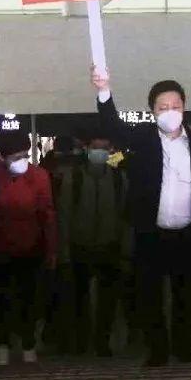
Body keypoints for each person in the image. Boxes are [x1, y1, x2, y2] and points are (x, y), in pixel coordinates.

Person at [91, 67, 191, 367]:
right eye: (162, 107)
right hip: (151, 232)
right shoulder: (143, 138)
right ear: (152, 111)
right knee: (149, 293)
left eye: (175, 106)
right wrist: (103, 91)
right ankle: (157, 349)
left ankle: (183, 347)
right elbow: (113, 126)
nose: (170, 112)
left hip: (190, 232)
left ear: (184, 107)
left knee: (188, 293)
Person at [0, 129, 56, 366]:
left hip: (31, 247)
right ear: (1, 157)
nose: (22, 161)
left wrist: (51, 248)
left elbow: (47, 215)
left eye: (25, 155)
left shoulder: (39, 176)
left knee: (29, 298)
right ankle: (2, 344)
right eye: (16, 157)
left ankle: (28, 343)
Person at [56, 123, 126, 357]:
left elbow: (125, 215)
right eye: (97, 148)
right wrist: (64, 251)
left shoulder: (118, 179)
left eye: (105, 148)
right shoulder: (73, 178)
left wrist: (125, 247)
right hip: (80, 245)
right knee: (79, 299)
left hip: (110, 245)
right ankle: (81, 341)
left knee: (108, 300)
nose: (101, 152)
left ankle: (102, 342)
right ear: (87, 149)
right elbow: (64, 214)